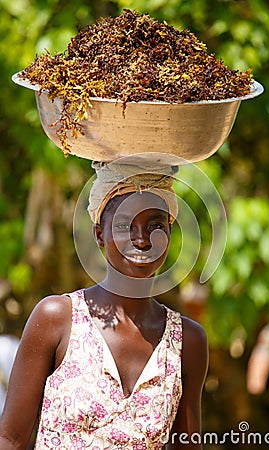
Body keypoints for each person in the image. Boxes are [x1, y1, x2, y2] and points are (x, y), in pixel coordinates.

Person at [0, 161, 208, 449]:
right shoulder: (58, 319)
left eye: (155, 225)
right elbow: (10, 439)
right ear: (100, 233)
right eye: (124, 225)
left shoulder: (187, 341)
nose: (141, 240)